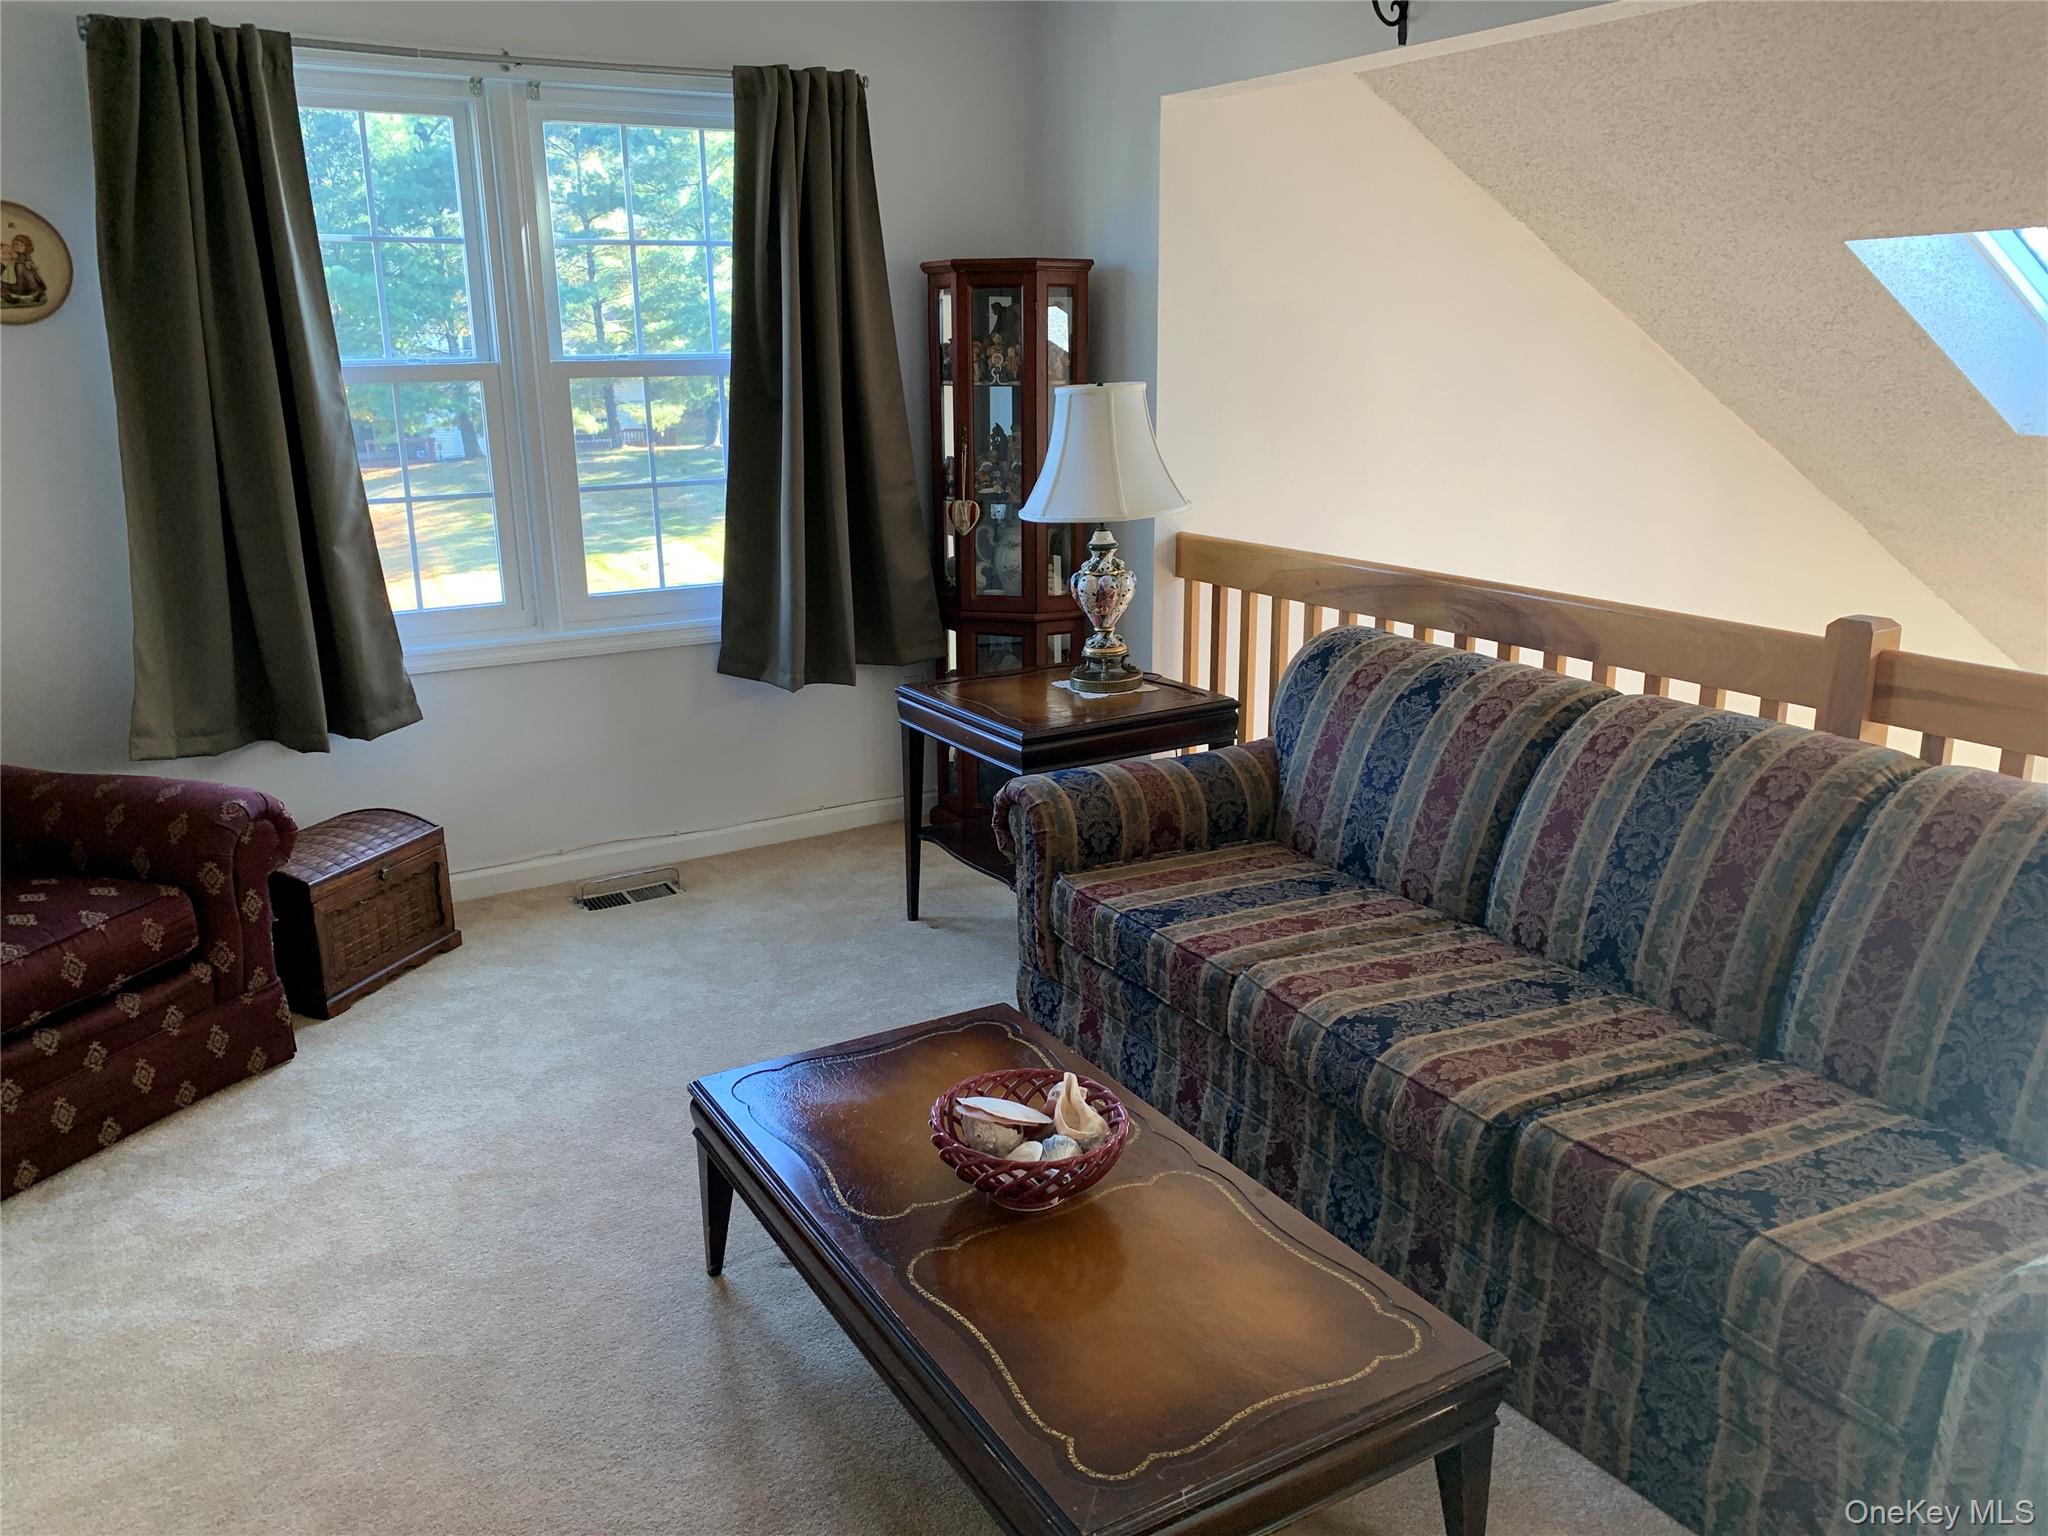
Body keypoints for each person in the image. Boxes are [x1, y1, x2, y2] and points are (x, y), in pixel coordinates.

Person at [1, 233, 46, 308]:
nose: (17, 246)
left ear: (26, 247)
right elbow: (7, 257)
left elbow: (28, 262)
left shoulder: (24, 256)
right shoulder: (14, 254)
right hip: (14, 273)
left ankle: (34, 293)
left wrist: (31, 265)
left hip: (23, 273)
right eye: (16, 244)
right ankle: (11, 295)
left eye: (21, 245)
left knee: (28, 279)